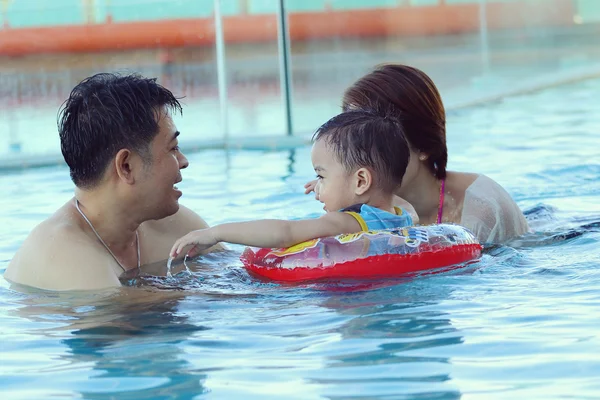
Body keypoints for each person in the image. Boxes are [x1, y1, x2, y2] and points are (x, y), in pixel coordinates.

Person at [4, 73, 222, 291]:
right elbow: (120, 315)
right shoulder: (59, 253)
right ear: (126, 166)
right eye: (172, 148)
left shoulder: (174, 225)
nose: (183, 162)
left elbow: (240, 268)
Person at [305, 64, 529, 244]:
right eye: (350, 137)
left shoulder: (479, 210)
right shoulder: (360, 205)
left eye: (372, 139)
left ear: (423, 146)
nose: (356, 154)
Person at [170, 110, 414, 258]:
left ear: (360, 181)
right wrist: (334, 185)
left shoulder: (346, 222)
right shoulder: (405, 216)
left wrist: (215, 233)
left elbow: (285, 233)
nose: (318, 186)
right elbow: (387, 193)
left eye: (321, 176)